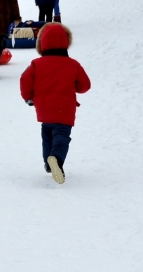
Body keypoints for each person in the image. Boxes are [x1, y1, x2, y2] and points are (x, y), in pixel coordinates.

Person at [19, 23, 91, 185]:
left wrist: (28, 97)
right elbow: (85, 85)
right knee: (61, 135)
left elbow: (25, 80)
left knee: (47, 134)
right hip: (65, 108)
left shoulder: (37, 64)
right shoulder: (73, 64)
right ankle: (56, 159)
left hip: (44, 107)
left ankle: (48, 162)